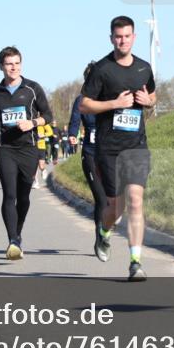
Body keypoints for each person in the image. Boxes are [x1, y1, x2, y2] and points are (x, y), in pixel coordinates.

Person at [80, 16, 156, 282]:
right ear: (111, 38)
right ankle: (104, 231)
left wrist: (149, 101)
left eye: (127, 36)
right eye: (118, 36)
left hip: (136, 147)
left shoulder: (144, 68)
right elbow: (84, 105)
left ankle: (136, 262)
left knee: (136, 200)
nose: (122, 41)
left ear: (134, 37)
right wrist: (113, 104)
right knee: (117, 209)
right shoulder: (102, 70)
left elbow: (153, 94)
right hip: (108, 149)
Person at [0, 46, 53, 260]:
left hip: (28, 148)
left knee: (23, 197)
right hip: (5, 149)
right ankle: (12, 240)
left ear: (21, 64)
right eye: (9, 64)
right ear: (1, 67)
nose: (13, 67)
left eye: (16, 63)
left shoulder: (32, 88)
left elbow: (48, 115)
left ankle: (18, 233)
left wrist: (32, 122)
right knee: (9, 194)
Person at [68, 63, 106, 233]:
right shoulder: (81, 101)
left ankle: (110, 219)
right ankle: (101, 235)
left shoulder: (111, 99)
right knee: (101, 198)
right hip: (90, 153)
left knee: (113, 199)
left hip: (110, 154)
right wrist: (72, 134)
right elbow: (75, 120)